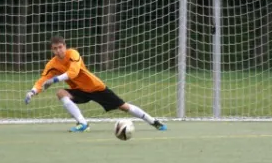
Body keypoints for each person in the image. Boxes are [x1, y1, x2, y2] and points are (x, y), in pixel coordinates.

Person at [24, 35, 168, 133]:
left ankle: (153, 121)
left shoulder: (73, 54)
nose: (58, 50)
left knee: (123, 107)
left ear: (65, 46)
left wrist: (55, 80)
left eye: (60, 47)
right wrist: (32, 91)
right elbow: (42, 80)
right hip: (79, 90)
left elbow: (73, 73)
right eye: (55, 48)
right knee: (61, 93)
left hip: (95, 87)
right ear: (52, 50)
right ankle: (83, 124)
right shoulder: (52, 64)